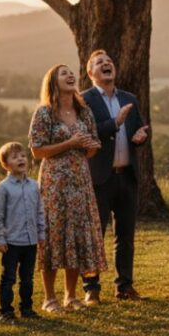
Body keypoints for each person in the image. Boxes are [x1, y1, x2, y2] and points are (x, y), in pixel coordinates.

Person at [30, 64, 107, 312]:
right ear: (53, 81)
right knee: (54, 235)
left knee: (76, 235)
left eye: (71, 72)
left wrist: (89, 146)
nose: (71, 75)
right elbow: (37, 151)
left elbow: (92, 148)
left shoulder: (84, 112)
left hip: (80, 180)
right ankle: (49, 298)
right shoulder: (44, 113)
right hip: (55, 182)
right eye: (64, 73)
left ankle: (71, 296)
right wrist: (70, 143)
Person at [81, 50, 150, 304]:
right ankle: (91, 287)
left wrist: (141, 137)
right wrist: (115, 122)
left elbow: (139, 128)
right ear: (91, 72)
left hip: (126, 176)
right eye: (100, 62)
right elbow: (86, 133)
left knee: (126, 236)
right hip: (99, 178)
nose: (106, 64)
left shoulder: (129, 98)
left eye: (109, 61)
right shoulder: (84, 100)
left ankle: (124, 286)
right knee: (95, 235)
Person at [0, 142, 46, 321]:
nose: (20, 159)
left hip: (30, 241)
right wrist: (0, 239)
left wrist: (41, 234)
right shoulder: (3, 188)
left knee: (27, 278)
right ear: (5, 164)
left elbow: (40, 211)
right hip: (11, 242)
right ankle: (6, 311)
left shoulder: (34, 186)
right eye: (14, 157)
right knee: (9, 278)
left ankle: (27, 309)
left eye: (22, 156)